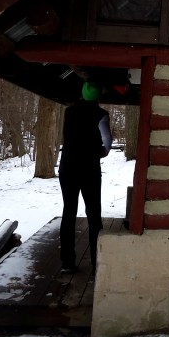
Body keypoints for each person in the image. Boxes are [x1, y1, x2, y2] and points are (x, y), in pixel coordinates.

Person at [58, 80, 113, 274]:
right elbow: (107, 140)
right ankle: (97, 262)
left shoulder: (69, 112)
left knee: (69, 212)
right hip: (89, 169)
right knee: (94, 214)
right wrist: (103, 151)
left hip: (67, 168)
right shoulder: (101, 114)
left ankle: (67, 262)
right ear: (98, 96)